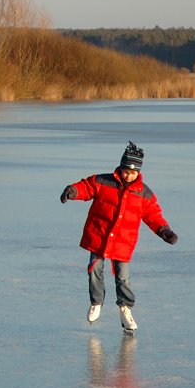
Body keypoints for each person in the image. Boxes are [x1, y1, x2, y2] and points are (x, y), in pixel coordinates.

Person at [60, 141, 178, 333]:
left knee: (123, 277)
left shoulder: (143, 193)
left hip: (123, 241)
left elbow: (153, 215)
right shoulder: (104, 182)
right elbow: (86, 187)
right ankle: (96, 302)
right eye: (125, 171)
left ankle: (125, 308)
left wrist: (164, 231)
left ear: (138, 172)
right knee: (94, 269)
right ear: (120, 167)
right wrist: (72, 191)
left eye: (132, 173)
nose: (128, 175)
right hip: (99, 235)